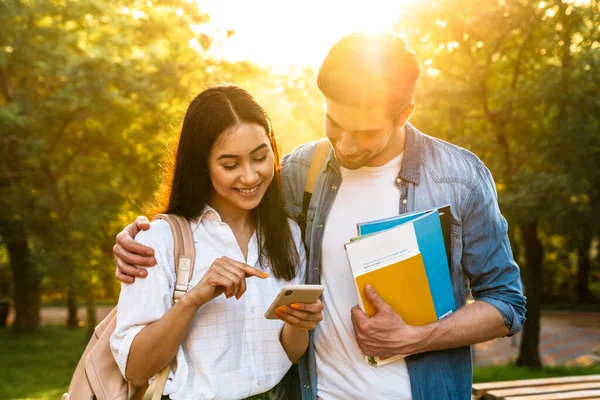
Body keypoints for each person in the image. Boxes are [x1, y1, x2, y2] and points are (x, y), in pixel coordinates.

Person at [113, 32, 526, 399]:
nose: (344, 145)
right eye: (333, 122)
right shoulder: (299, 171)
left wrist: (414, 338)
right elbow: (222, 205)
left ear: (404, 113)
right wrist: (140, 237)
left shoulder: (459, 180)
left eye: (363, 132)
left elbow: (507, 303)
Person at [110, 85, 324, 400]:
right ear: (202, 165)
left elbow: (289, 354)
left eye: (260, 157)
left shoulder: (289, 235)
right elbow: (136, 370)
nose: (250, 176)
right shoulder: (160, 240)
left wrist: (300, 324)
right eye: (230, 165)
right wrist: (193, 300)